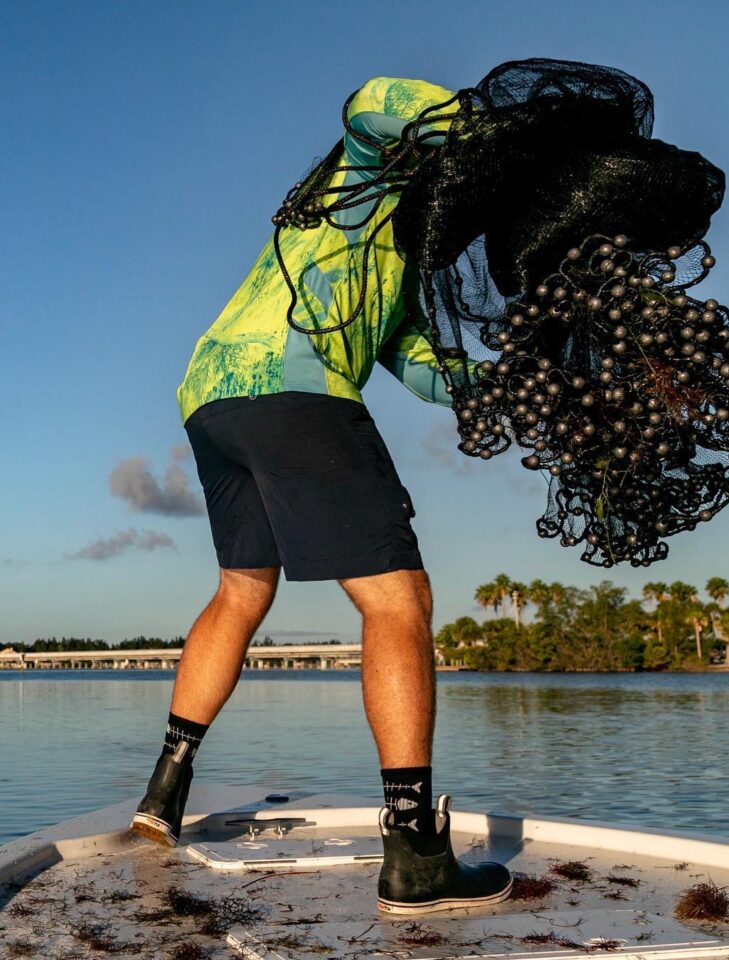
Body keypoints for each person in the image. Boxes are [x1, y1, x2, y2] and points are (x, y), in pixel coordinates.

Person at [130, 74, 513, 915]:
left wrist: (509, 388)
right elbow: (375, 102)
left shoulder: (404, 259)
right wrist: (493, 125)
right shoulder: (365, 170)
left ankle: (164, 790)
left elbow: (415, 360)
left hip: (214, 393)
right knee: (396, 598)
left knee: (241, 588)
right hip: (296, 393)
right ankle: (414, 853)